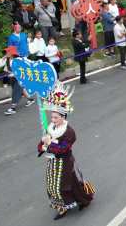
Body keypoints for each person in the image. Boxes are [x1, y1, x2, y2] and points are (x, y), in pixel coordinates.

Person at [39, 83, 94, 219]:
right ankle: (61, 208)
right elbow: (43, 143)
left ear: (63, 117)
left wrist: (49, 143)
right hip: (52, 162)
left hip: (65, 162)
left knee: (66, 186)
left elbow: (63, 148)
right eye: (52, 117)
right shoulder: (51, 127)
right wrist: (42, 145)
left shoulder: (69, 132)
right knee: (52, 185)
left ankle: (83, 201)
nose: (53, 120)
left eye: (56, 117)